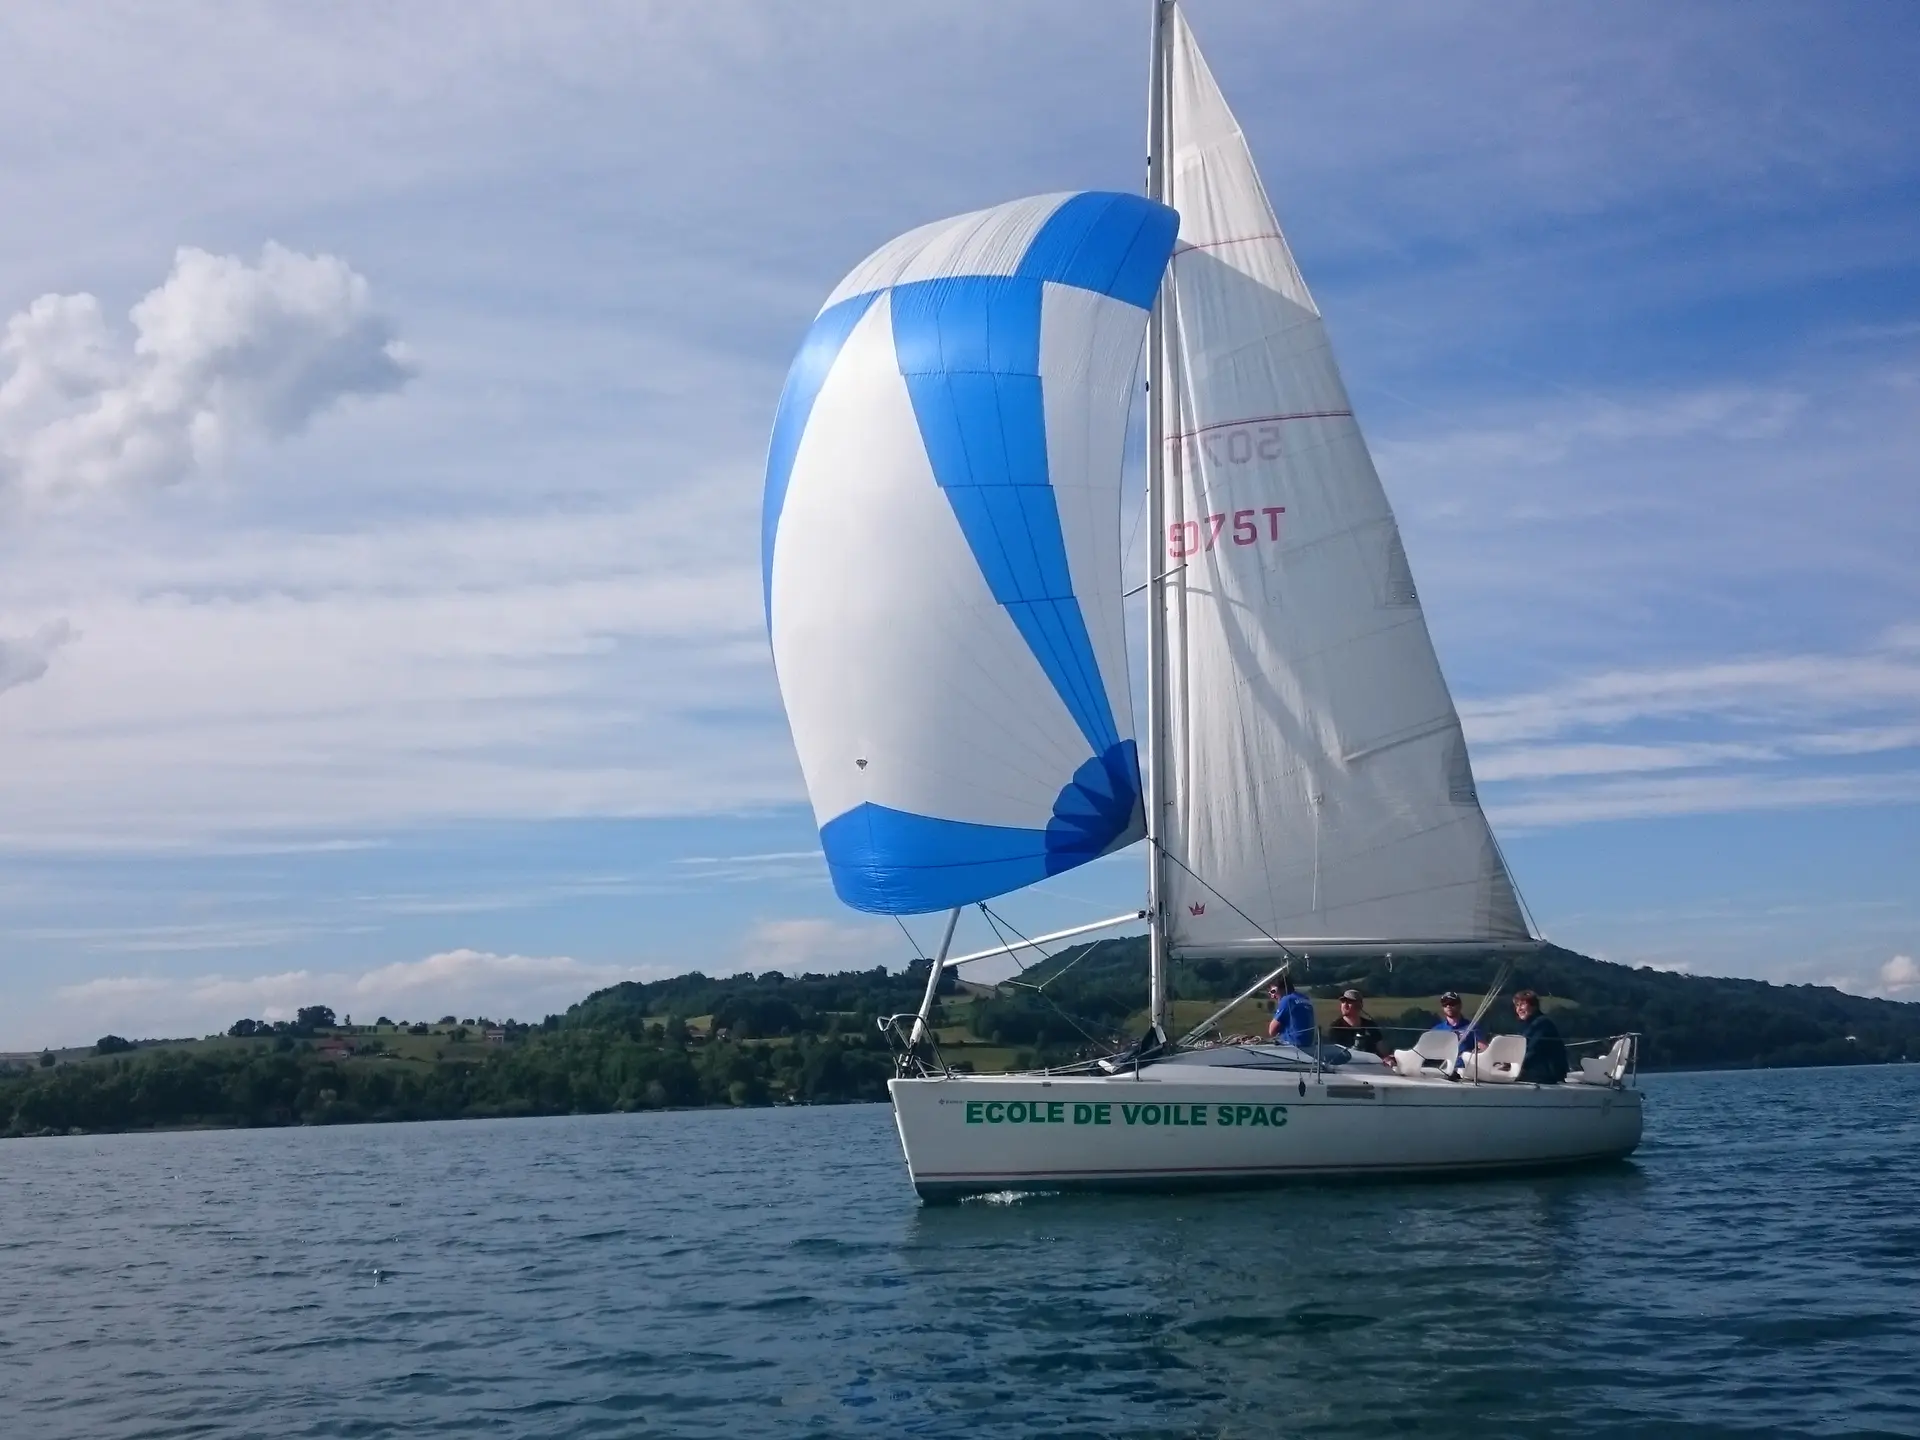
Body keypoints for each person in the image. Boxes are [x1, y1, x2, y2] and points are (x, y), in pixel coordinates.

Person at [1512, 989, 1569, 1084]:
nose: (1519, 1009)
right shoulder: (1529, 1025)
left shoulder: (1542, 1024)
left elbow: (1532, 1051)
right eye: (1517, 1005)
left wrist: (1514, 1067)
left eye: (1522, 1004)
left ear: (1534, 1006)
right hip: (1536, 1072)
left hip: (1546, 1075)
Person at [1327, 989, 1385, 1057]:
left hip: (1370, 1063)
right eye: (1343, 1002)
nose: (1345, 1005)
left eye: (1349, 1002)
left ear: (1359, 1005)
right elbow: (1333, 1054)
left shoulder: (1370, 1026)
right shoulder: (1336, 1028)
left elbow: (1382, 1049)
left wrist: (1388, 1059)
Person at [1431, 991, 1486, 1058]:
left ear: (1460, 1005)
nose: (1448, 1006)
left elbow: (1484, 1049)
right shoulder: (1436, 1030)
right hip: (1442, 1067)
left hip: (1466, 1067)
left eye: (1452, 1003)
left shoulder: (1472, 1027)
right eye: (1444, 1004)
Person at [1267, 976, 1317, 1049]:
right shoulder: (1305, 998)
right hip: (1309, 1044)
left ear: (1283, 988)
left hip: (1292, 1045)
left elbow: (1272, 1031)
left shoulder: (1287, 1000)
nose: (1272, 996)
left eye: (1273, 991)